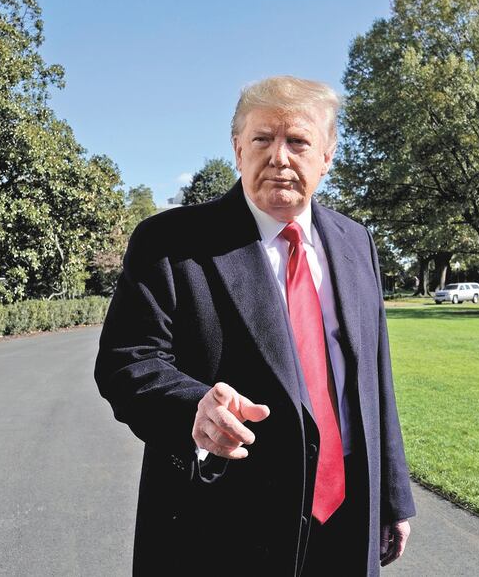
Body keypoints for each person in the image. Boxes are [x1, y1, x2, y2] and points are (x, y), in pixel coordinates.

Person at [95, 76, 415, 576]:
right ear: (238, 148)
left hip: (347, 514)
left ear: (327, 156)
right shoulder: (171, 242)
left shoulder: (356, 243)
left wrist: (393, 498)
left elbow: (375, 379)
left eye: (298, 141)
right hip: (221, 521)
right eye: (263, 139)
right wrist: (192, 410)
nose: (279, 156)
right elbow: (127, 362)